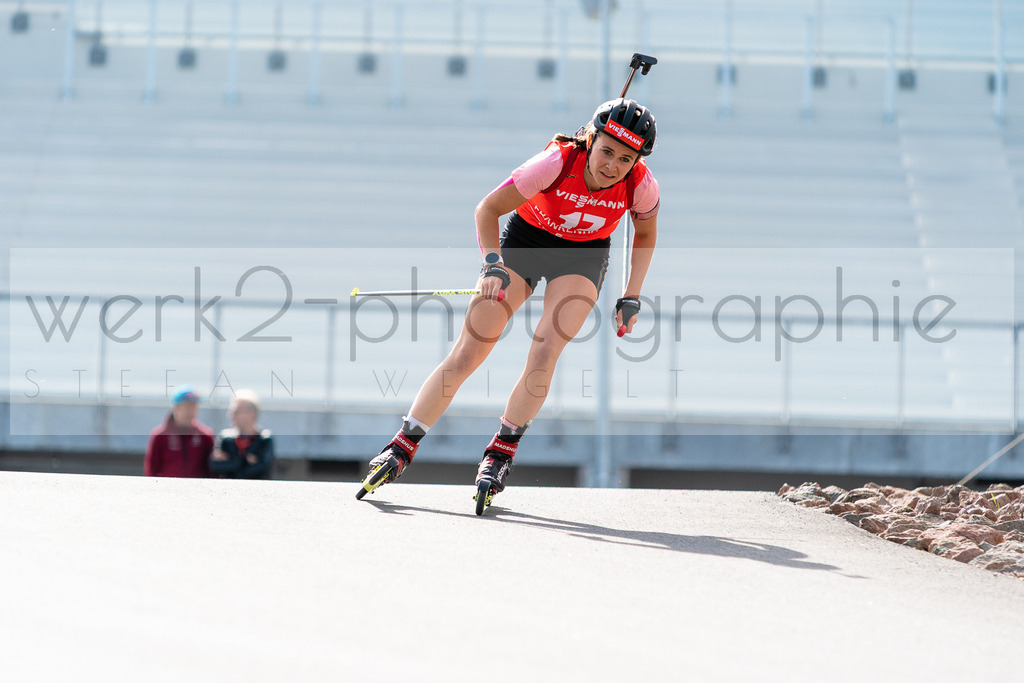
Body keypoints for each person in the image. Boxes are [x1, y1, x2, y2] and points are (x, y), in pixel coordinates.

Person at [364, 97, 660, 499]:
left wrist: (631, 295)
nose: (612, 166)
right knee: (470, 350)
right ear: (590, 140)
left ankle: (500, 453)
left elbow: (645, 233)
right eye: (606, 151)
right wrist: (492, 264)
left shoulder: (641, 185)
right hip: (527, 242)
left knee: (546, 349)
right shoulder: (554, 163)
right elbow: (487, 208)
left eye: (625, 159)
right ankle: (402, 446)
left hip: (584, 255)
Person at [145, 385, 215, 477]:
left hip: (197, 486)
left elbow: (211, 469)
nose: (191, 411)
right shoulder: (160, 436)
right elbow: (151, 470)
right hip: (168, 486)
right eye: (187, 407)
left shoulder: (205, 435)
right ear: (176, 408)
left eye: (194, 406)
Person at [210, 389, 275, 480]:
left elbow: (262, 468)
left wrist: (232, 462)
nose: (231, 415)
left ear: (251, 414)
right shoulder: (225, 438)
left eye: (236, 411)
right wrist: (245, 461)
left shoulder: (264, 439)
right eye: (231, 411)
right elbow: (215, 465)